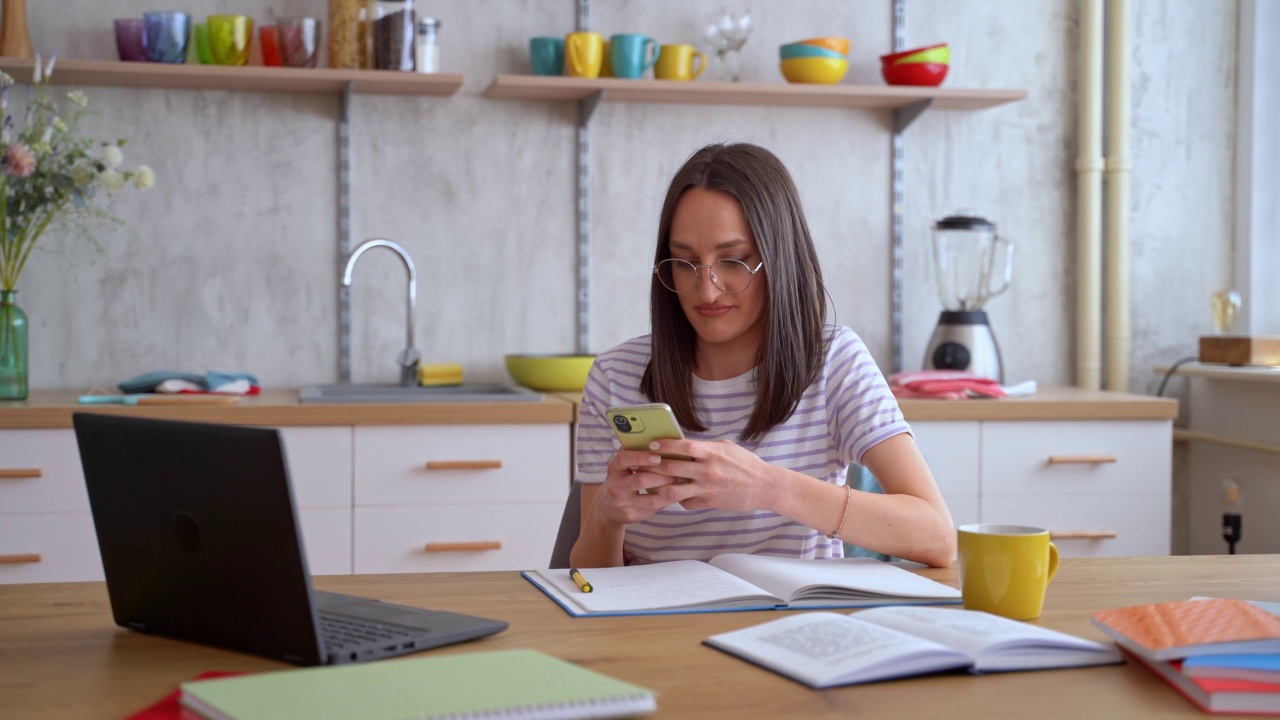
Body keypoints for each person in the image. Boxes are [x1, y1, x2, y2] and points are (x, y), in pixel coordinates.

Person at [568, 142, 955, 569]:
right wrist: (606, 516)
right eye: (684, 262)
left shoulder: (834, 362)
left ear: (779, 260)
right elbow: (588, 580)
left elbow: (936, 536)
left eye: (733, 261)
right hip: (651, 631)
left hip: (790, 629)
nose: (707, 289)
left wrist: (769, 487)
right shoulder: (615, 376)